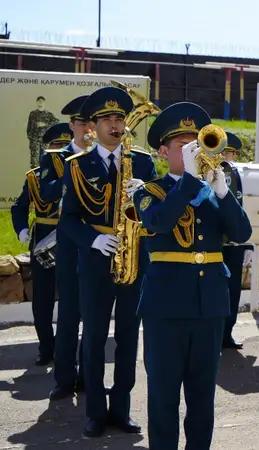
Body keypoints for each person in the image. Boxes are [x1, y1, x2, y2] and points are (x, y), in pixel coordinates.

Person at [133, 102, 252, 449]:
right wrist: (187, 180)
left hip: (209, 306)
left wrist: (223, 192)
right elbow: (158, 222)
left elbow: (241, 231)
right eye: (183, 146)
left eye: (195, 144)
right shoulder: (149, 191)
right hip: (166, 308)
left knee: (202, 400)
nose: (193, 152)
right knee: (164, 398)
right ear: (163, 150)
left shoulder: (213, 192)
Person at [60, 86, 157, 437]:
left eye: (120, 119)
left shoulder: (143, 161)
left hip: (134, 258)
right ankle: (95, 412)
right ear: (93, 126)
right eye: (108, 120)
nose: (115, 125)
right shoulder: (77, 165)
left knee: (130, 336)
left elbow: (158, 214)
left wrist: (145, 194)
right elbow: (67, 220)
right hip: (96, 258)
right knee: (96, 336)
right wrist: (94, 239)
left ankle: (122, 409)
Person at [38, 94, 98, 400]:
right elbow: (46, 194)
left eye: (92, 122)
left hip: (99, 248)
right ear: (72, 125)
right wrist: (68, 171)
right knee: (69, 316)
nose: (89, 129)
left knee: (94, 318)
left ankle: (88, 378)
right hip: (70, 247)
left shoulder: (104, 157)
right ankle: (64, 379)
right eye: (83, 123)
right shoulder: (54, 158)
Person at [10, 123, 71, 366]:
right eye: (56, 146)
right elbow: (19, 206)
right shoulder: (36, 177)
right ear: (48, 149)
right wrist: (22, 229)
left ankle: (67, 349)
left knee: (71, 298)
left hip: (70, 238)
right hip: (44, 238)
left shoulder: (81, 172)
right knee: (43, 299)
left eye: (64, 147)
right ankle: (46, 348)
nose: (60, 152)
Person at [220, 131, 251, 350]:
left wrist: (248, 244)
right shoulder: (206, 175)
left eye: (230, 153)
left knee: (233, 290)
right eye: (222, 152)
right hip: (213, 243)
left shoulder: (242, 180)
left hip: (236, 243)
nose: (226, 156)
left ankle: (227, 333)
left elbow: (250, 211)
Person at [26, 95, 59, 168]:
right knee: (34, 159)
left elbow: (56, 122)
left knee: (44, 157)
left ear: (44, 103)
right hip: (34, 140)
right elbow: (29, 126)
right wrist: (30, 137)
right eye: (39, 101)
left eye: (42, 101)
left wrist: (45, 124)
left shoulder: (48, 114)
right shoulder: (33, 114)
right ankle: (34, 176)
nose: (40, 102)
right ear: (37, 102)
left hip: (45, 139)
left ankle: (43, 175)